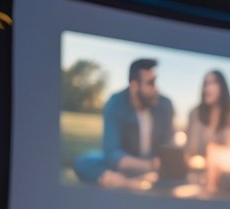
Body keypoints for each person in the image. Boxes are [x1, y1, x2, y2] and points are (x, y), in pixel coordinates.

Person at [72, 58, 175, 187]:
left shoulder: (164, 105)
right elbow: (112, 152)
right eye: (151, 83)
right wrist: (150, 165)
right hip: (127, 165)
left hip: (156, 168)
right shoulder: (115, 104)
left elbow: (169, 148)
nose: (156, 89)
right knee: (84, 161)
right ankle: (123, 181)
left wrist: (163, 164)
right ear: (134, 86)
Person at [185, 69, 230, 200]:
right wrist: (207, 162)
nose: (208, 88)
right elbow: (187, 155)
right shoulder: (195, 114)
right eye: (206, 84)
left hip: (228, 185)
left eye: (213, 83)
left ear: (222, 88)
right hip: (198, 181)